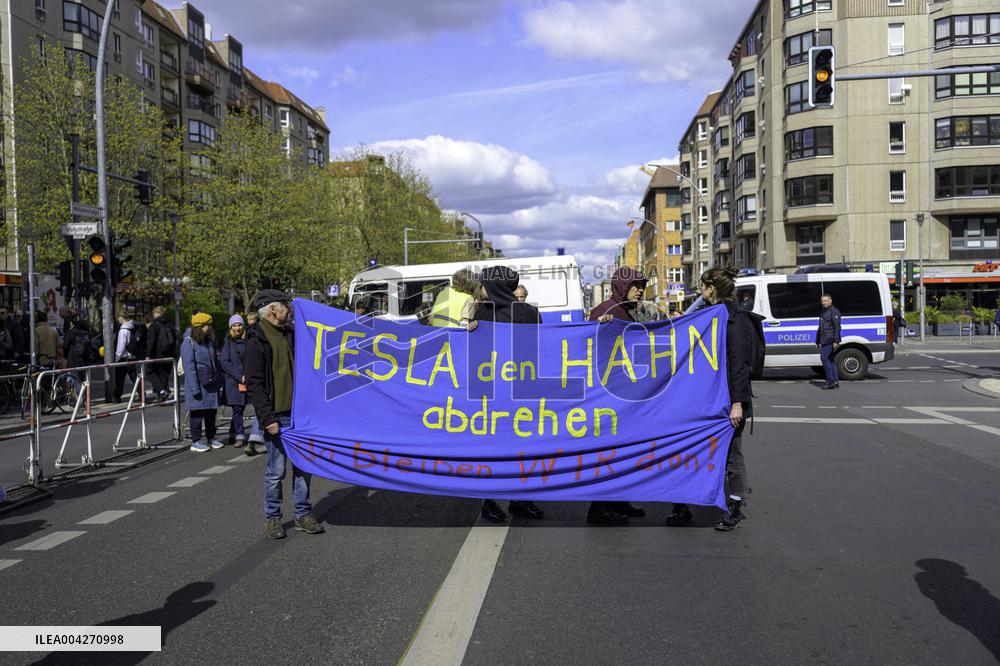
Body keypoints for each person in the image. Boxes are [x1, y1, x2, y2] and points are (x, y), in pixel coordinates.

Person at [666, 266, 752, 531]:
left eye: (702, 286)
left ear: (711, 289)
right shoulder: (705, 315)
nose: (700, 291)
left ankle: (735, 508)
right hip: (702, 401)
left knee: (731, 456)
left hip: (727, 402)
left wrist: (737, 404)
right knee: (690, 451)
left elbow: (739, 364)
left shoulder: (735, 319)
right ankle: (682, 505)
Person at [467, 266, 545, 524]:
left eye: (484, 283)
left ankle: (512, 499)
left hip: (512, 392)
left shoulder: (527, 313)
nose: (481, 288)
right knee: (499, 449)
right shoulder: (482, 313)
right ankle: (495, 500)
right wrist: (469, 330)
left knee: (514, 448)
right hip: (499, 393)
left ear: (493, 285)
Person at [244, 289, 324, 539]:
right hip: (277, 416)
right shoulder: (256, 340)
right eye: (285, 306)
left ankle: (303, 514)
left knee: (303, 467)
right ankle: (273, 518)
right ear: (272, 310)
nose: (289, 311)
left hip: (300, 414)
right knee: (275, 471)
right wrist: (267, 418)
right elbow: (255, 384)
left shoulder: (289, 332)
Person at [587, 266, 649, 526]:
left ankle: (618, 498)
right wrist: (600, 327)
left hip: (625, 394)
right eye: (635, 285)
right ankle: (599, 507)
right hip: (608, 396)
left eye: (642, 285)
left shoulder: (630, 311)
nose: (640, 290)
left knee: (623, 451)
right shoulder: (604, 311)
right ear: (623, 286)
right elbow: (588, 346)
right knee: (607, 453)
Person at [180, 313, 225, 453]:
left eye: (209, 325)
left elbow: (215, 363)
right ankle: (196, 441)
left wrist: (220, 381)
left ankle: (211, 438)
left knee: (211, 412)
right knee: (197, 413)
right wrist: (194, 388)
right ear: (198, 327)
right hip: (199, 384)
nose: (209, 328)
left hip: (211, 383)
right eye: (206, 325)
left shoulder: (209, 341)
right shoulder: (188, 343)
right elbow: (189, 368)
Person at [220, 314, 263, 456]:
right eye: (234, 326)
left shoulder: (248, 340)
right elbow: (225, 363)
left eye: (239, 325)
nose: (237, 328)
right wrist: (239, 376)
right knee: (237, 409)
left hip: (248, 379)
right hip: (234, 381)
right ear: (230, 327)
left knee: (245, 406)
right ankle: (239, 435)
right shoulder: (227, 341)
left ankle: (234, 432)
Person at [146, 306, 178, 401]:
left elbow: (151, 342)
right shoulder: (170, 325)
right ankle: (162, 394)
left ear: (157, 314)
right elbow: (175, 340)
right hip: (169, 355)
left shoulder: (154, 325)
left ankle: (161, 391)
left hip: (157, 354)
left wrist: (148, 355)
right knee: (163, 375)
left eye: (154, 313)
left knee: (149, 371)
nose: (153, 315)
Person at [816, 293, 842, 390]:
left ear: (830, 301)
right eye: (822, 301)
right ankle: (835, 381)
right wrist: (818, 340)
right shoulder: (823, 311)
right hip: (824, 339)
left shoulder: (834, 312)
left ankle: (830, 380)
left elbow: (837, 327)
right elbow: (820, 327)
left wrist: (836, 340)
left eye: (825, 301)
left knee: (824, 358)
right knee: (831, 360)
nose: (823, 302)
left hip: (830, 340)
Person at [112, 312, 139, 403]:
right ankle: (141, 393)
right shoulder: (131, 328)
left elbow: (121, 346)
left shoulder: (123, 330)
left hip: (123, 358)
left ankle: (117, 396)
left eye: (119, 318)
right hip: (131, 357)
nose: (118, 320)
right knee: (134, 377)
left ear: (121, 318)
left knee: (119, 379)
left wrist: (117, 356)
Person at [62, 316, 93, 390]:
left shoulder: (70, 333)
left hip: (73, 360)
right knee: (83, 381)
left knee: (73, 380)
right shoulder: (87, 334)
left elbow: (65, 347)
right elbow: (90, 348)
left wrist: (66, 356)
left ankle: (78, 395)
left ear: (72, 323)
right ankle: (83, 395)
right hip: (85, 361)